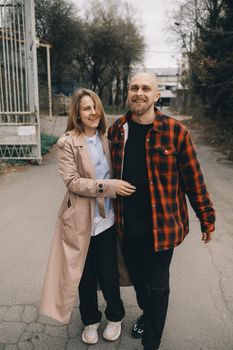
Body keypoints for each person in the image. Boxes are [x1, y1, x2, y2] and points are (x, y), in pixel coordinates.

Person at [108, 72, 216, 350]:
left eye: (146, 88)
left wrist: (207, 218)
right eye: (134, 87)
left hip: (162, 229)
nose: (139, 92)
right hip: (125, 226)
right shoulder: (117, 130)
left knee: (158, 286)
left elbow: (194, 180)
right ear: (128, 93)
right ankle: (147, 313)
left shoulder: (175, 132)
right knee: (139, 281)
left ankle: (151, 343)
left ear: (157, 96)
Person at [40, 88, 136, 345]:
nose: (93, 112)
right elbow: (72, 181)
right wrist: (108, 187)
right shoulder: (67, 142)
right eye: (86, 108)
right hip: (80, 221)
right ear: (78, 114)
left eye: (95, 107)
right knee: (84, 276)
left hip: (107, 220)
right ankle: (90, 321)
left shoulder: (107, 137)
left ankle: (115, 317)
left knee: (108, 273)